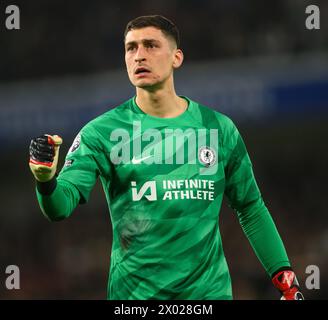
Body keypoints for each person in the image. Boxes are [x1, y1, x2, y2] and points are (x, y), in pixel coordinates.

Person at [29, 15, 304, 300]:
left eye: (150, 46)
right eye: (131, 48)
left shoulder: (218, 128)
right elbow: (59, 208)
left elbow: (249, 207)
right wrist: (45, 180)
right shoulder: (101, 132)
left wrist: (285, 279)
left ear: (177, 57)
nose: (139, 56)